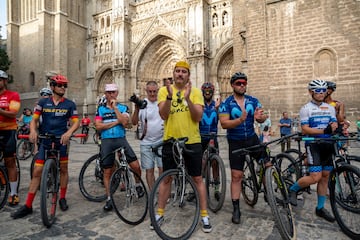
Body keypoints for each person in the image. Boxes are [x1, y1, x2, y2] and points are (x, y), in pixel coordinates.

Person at [153, 61, 212, 233]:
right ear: (173, 73)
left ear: (188, 75)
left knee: (197, 179)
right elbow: (163, 115)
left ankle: (204, 214)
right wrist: (171, 96)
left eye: (183, 72)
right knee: (166, 179)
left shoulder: (195, 92)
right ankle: (160, 213)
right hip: (170, 140)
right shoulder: (164, 91)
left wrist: (187, 98)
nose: (180, 74)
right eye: (177, 71)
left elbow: (198, 117)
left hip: (192, 140)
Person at [12, 74, 80, 219]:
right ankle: (28, 205)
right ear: (52, 87)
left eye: (65, 86)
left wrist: (68, 133)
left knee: (63, 169)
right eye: (60, 85)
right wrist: (32, 131)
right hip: (45, 140)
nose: (63, 88)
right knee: (37, 171)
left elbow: (76, 122)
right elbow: (34, 119)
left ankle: (62, 197)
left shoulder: (69, 104)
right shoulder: (42, 103)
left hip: (62, 141)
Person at [218, 72, 267, 224]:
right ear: (232, 85)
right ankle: (236, 208)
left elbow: (262, 117)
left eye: (244, 83)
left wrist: (261, 118)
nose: (242, 85)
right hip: (235, 141)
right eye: (239, 83)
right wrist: (240, 120)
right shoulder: (226, 103)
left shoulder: (253, 100)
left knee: (267, 163)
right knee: (236, 176)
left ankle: (268, 192)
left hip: (252, 138)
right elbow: (224, 124)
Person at [288, 79, 337, 222]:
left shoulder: (330, 108)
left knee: (325, 176)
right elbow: (305, 129)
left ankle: (320, 208)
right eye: (318, 91)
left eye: (323, 91)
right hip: (314, 145)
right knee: (315, 177)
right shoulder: (306, 108)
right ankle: (294, 189)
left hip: (328, 144)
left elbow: (333, 123)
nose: (321, 94)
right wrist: (323, 130)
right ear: (311, 92)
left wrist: (335, 126)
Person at [95, 83, 144, 211]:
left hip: (120, 139)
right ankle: (109, 198)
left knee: (136, 166)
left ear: (117, 93)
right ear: (105, 94)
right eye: (108, 93)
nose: (111, 95)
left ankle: (138, 185)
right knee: (107, 171)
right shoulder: (100, 109)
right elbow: (98, 126)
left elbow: (125, 122)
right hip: (107, 141)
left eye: (113, 92)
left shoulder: (123, 108)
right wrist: (116, 122)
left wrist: (115, 109)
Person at [131, 81, 163, 191]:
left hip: (161, 141)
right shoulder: (142, 104)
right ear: (146, 91)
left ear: (158, 91)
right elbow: (134, 122)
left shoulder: (162, 102)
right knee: (149, 170)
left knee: (162, 169)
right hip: (146, 143)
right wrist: (136, 109)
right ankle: (153, 193)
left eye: (154, 91)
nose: (153, 94)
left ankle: (162, 192)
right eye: (150, 92)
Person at [0, 70, 21, 206]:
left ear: (5, 81)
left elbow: (13, 114)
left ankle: (13, 194)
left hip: (8, 131)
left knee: (10, 162)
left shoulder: (13, 95)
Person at [199, 82, 221, 199]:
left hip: (212, 136)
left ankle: (217, 187)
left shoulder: (215, 105)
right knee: (200, 163)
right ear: (203, 93)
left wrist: (218, 109)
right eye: (205, 91)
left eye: (210, 91)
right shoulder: (199, 105)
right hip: (201, 136)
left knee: (215, 163)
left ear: (212, 93)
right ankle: (198, 187)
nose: (207, 93)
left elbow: (221, 119)